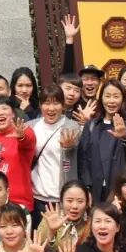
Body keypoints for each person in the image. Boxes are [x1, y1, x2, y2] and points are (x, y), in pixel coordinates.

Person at [27, 85, 80, 223]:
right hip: (37, 197)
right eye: (46, 103)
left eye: (56, 103)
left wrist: (67, 150)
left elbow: (70, 164)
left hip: (62, 198)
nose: (51, 108)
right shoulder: (31, 126)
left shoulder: (71, 127)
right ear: (40, 105)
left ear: (63, 105)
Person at [77, 79, 126, 203]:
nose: (111, 101)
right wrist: (86, 187)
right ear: (101, 98)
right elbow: (83, 159)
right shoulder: (91, 125)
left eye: (116, 96)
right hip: (94, 189)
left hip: (118, 190)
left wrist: (124, 135)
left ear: (123, 99)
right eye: (107, 96)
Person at [0, 96, 37, 211]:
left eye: (5, 108)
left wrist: (21, 136)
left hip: (17, 204)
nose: (0, 112)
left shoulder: (24, 131)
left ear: (13, 114)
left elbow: (27, 140)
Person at [37, 179, 92, 250]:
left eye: (80, 201)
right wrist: (52, 232)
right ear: (61, 202)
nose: (74, 206)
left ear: (87, 203)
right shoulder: (50, 218)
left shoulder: (91, 223)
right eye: (69, 201)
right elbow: (39, 249)